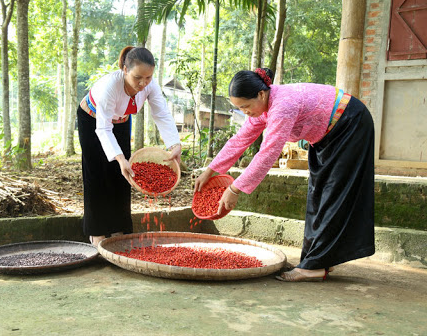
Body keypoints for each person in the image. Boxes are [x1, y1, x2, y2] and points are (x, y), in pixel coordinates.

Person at [194, 68, 375, 282]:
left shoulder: (282, 106)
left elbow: (268, 152)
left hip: (349, 124)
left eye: (245, 106)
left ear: (261, 94)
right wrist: (211, 170)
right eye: (239, 108)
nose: (245, 112)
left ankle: (314, 266)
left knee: (332, 194)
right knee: (318, 194)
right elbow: (240, 140)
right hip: (327, 136)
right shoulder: (262, 108)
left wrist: (235, 189)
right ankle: (320, 259)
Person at [77, 46, 181, 247]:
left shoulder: (150, 85)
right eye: (137, 77)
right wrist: (119, 157)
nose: (143, 83)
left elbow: (161, 114)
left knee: (124, 175)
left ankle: (119, 230)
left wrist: (174, 144)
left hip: (122, 121)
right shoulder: (110, 87)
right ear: (125, 70)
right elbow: (103, 129)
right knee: (97, 174)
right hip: (92, 120)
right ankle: (96, 233)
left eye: (148, 77)